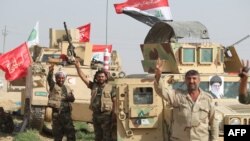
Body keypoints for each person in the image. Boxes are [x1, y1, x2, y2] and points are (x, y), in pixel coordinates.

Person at [154, 58, 218, 141]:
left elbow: (214, 123)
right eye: (189, 78)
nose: (191, 81)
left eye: (194, 78)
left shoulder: (207, 99)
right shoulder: (177, 96)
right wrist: (158, 75)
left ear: (199, 80)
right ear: (185, 80)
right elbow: (161, 91)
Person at [74, 60, 116, 141]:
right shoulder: (93, 86)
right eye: (99, 76)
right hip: (96, 115)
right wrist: (78, 67)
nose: (100, 78)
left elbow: (115, 101)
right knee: (98, 136)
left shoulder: (111, 88)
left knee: (107, 136)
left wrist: (114, 114)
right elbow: (83, 78)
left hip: (106, 115)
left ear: (106, 77)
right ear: (96, 77)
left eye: (102, 76)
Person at [47, 64, 76, 141]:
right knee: (58, 136)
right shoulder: (53, 86)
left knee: (71, 135)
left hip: (67, 116)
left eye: (63, 78)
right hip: (57, 116)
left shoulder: (67, 88)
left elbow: (73, 99)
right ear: (56, 79)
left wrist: (68, 97)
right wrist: (50, 71)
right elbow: (49, 79)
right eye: (59, 78)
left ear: (65, 79)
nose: (61, 80)